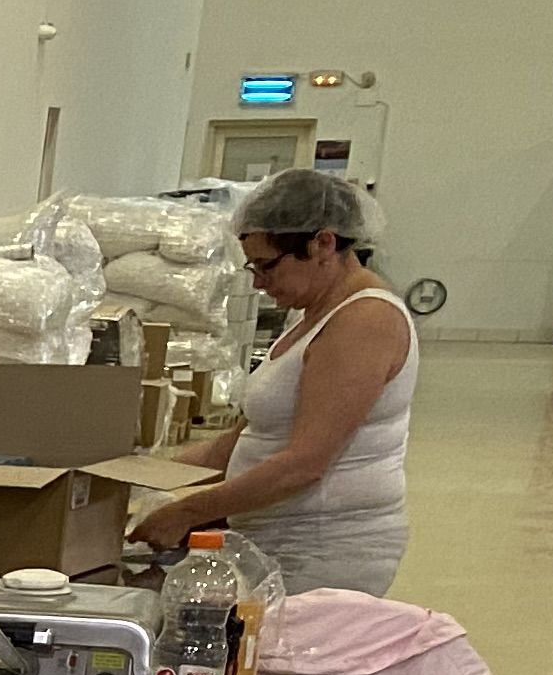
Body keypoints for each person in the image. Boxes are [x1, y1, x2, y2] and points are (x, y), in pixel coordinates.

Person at [130, 167, 416, 593]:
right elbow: (243, 439)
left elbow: (304, 463)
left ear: (323, 244)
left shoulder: (364, 320)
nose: (259, 283)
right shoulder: (309, 313)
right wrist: (141, 479)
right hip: (271, 535)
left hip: (323, 550)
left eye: (267, 266)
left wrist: (187, 512)